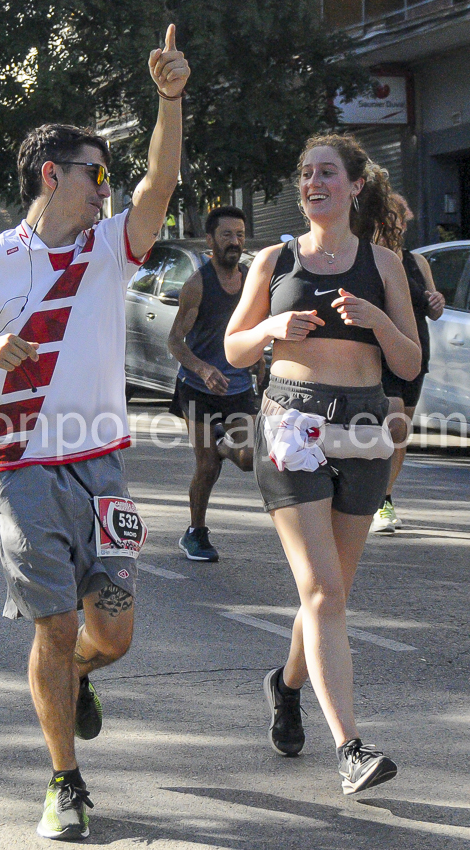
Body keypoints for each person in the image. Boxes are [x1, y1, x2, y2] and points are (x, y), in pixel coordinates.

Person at [0, 25, 189, 842]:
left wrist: (171, 99)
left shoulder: (108, 249)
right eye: (97, 175)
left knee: (114, 632)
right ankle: (65, 783)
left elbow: (161, 184)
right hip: (18, 463)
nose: (108, 189)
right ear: (50, 176)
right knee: (54, 627)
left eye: (110, 177)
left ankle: (79, 678)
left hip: (102, 465)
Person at [224, 133, 421, 795]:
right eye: (306, 173)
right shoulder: (273, 260)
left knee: (327, 592)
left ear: (355, 185)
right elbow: (233, 347)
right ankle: (351, 749)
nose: (313, 183)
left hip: (365, 425)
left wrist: (375, 319)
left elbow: (409, 364)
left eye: (326, 173)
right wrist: (271, 332)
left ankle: (285, 686)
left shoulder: (385, 264)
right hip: (292, 424)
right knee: (323, 592)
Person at [168, 205, 261, 562]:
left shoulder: (252, 280)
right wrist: (204, 369)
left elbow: (252, 326)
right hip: (197, 388)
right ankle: (196, 533)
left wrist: (260, 361)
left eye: (239, 235)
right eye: (227, 235)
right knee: (207, 466)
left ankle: (223, 441)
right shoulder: (197, 285)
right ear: (211, 240)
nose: (235, 242)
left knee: (250, 457)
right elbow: (175, 341)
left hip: (237, 386)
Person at [372, 194, 445, 533]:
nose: (395, 227)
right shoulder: (370, 258)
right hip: (380, 351)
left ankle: (383, 499)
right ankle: (370, 494)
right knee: (394, 419)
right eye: (388, 220)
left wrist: (436, 300)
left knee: (400, 432)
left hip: (416, 351)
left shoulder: (417, 262)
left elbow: (433, 307)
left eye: (398, 220)